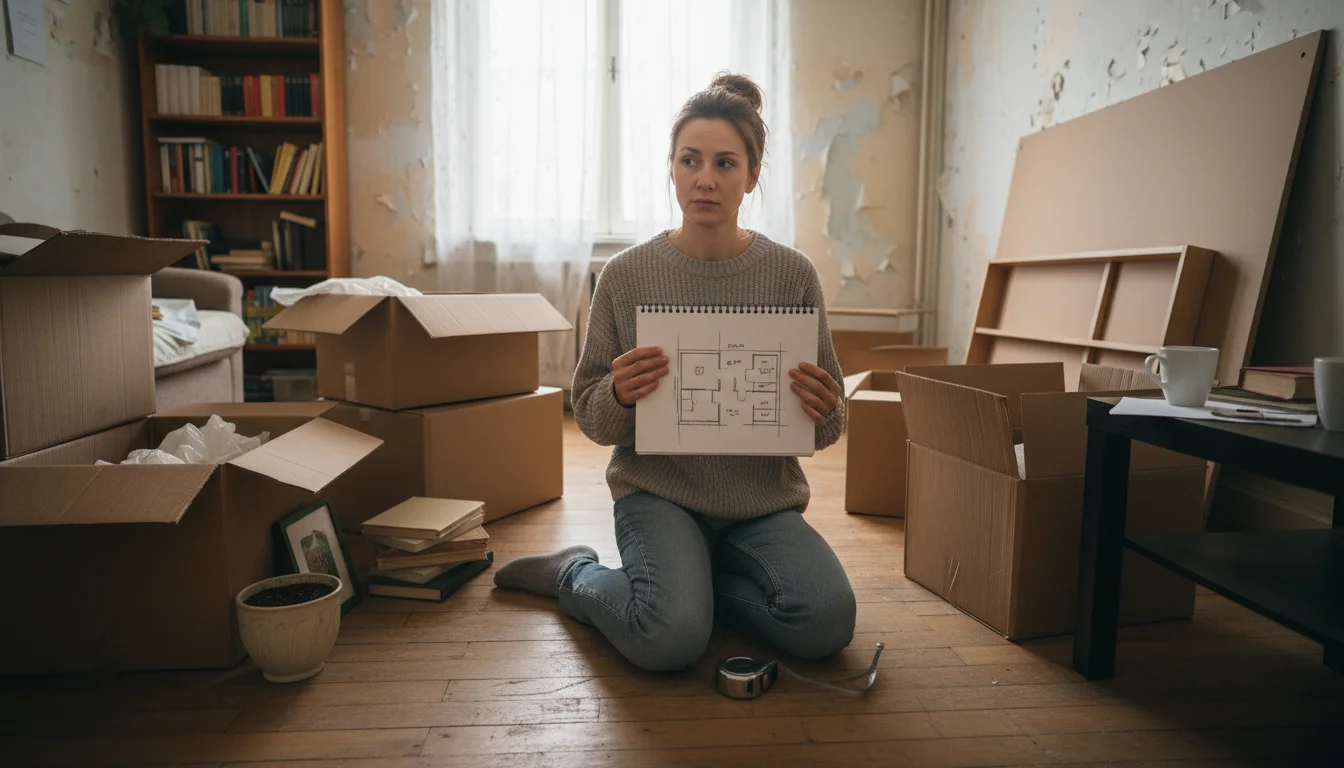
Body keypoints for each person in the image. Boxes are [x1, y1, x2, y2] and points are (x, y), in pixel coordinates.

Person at [493, 72, 856, 672]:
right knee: (668, 640)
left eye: (725, 163)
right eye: (690, 160)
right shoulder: (625, 276)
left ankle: (692, 594)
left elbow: (830, 422)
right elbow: (591, 417)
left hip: (762, 502)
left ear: (752, 176)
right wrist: (619, 394)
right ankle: (574, 573)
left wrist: (823, 408)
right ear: (672, 168)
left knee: (827, 621)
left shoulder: (793, 275)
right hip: (659, 494)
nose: (704, 179)